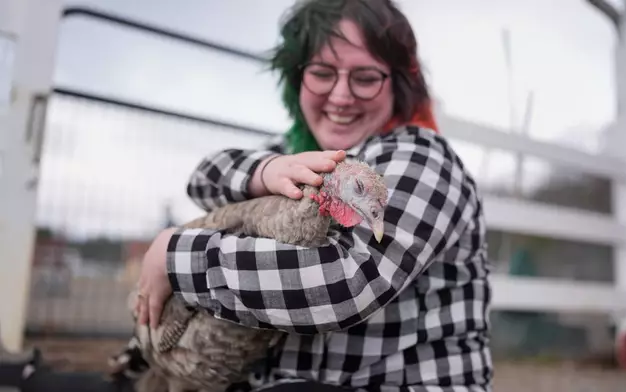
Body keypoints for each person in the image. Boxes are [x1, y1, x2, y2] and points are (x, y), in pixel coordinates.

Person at [0, 0, 492, 391]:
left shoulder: (420, 157)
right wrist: (267, 169)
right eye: (322, 72)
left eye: (365, 76)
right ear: (296, 79)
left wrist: (178, 255)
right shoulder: (295, 155)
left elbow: (348, 282)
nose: (341, 96)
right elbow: (203, 177)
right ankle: (29, 373)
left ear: (398, 84)